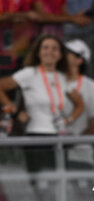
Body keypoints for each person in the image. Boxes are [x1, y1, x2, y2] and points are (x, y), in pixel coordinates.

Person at [0, 34, 84, 172]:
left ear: (60, 54)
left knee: (59, 184)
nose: (50, 52)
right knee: (40, 184)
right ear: (38, 52)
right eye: (45, 48)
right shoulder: (29, 73)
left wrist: (68, 120)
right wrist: (15, 112)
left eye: (54, 48)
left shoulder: (63, 77)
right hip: (35, 136)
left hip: (59, 136)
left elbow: (80, 105)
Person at [64, 39, 94, 169]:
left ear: (79, 60)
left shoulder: (91, 86)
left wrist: (75, 141)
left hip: (80, 153)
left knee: (80, 188)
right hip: (52, 151)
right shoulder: (52, 81)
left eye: (68, 53)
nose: (62, 55)